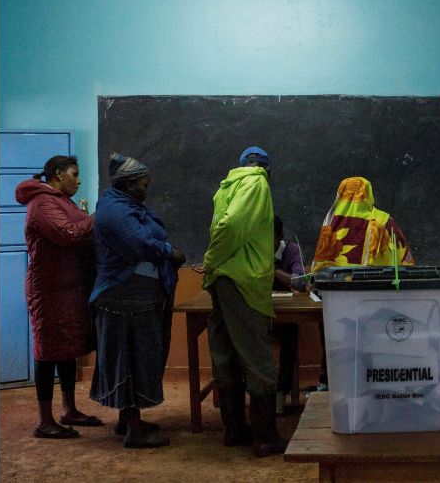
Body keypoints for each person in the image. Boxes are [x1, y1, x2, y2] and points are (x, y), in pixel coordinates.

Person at [89, 152, 185, 448]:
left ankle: (126, 419)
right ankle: (134, 430)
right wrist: (170, 252)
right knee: (130, 360)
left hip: (133, 298)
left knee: (131, 359)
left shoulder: (122, 205)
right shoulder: (114, 212)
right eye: (144, 184)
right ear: (129, 185)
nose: (148, 189)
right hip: (124, 299)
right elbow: (139, 243)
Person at [202, 145, 287, 457]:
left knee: (225, 352)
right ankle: (265, 437)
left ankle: (234, 429)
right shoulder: (256, 183)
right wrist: (211, 258)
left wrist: (214, 264)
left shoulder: (228, 185)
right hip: (243, 278)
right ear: (267, 168)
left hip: (225, 277)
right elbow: (232, 226)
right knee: (256, 354)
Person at [15, 155, 102, 439]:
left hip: (68, 289)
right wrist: (95, 219)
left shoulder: (63, 201)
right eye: (74, 174)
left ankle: (68, 410)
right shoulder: (41, 203)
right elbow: (68, 235)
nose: (78, 180)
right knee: (47, 351)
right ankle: (44, 420)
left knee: (66, 348)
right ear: (57, 173)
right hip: (48, 290)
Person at [311, 176, 415, 388]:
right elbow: (405, 264)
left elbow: (318, 271)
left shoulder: (330, 224)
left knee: (336, 347)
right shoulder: (383, 221)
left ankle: (332, 386)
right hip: (375, 307)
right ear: (369, 195)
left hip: (338, 309)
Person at [271, 215, 306, 415]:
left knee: (290, 334)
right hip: (258, 313)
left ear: (280, 236)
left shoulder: (291, 250)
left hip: (283, 316)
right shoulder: (252, 250)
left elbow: (300, 282)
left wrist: (273, 270)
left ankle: (281, 391)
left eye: (271, 238)